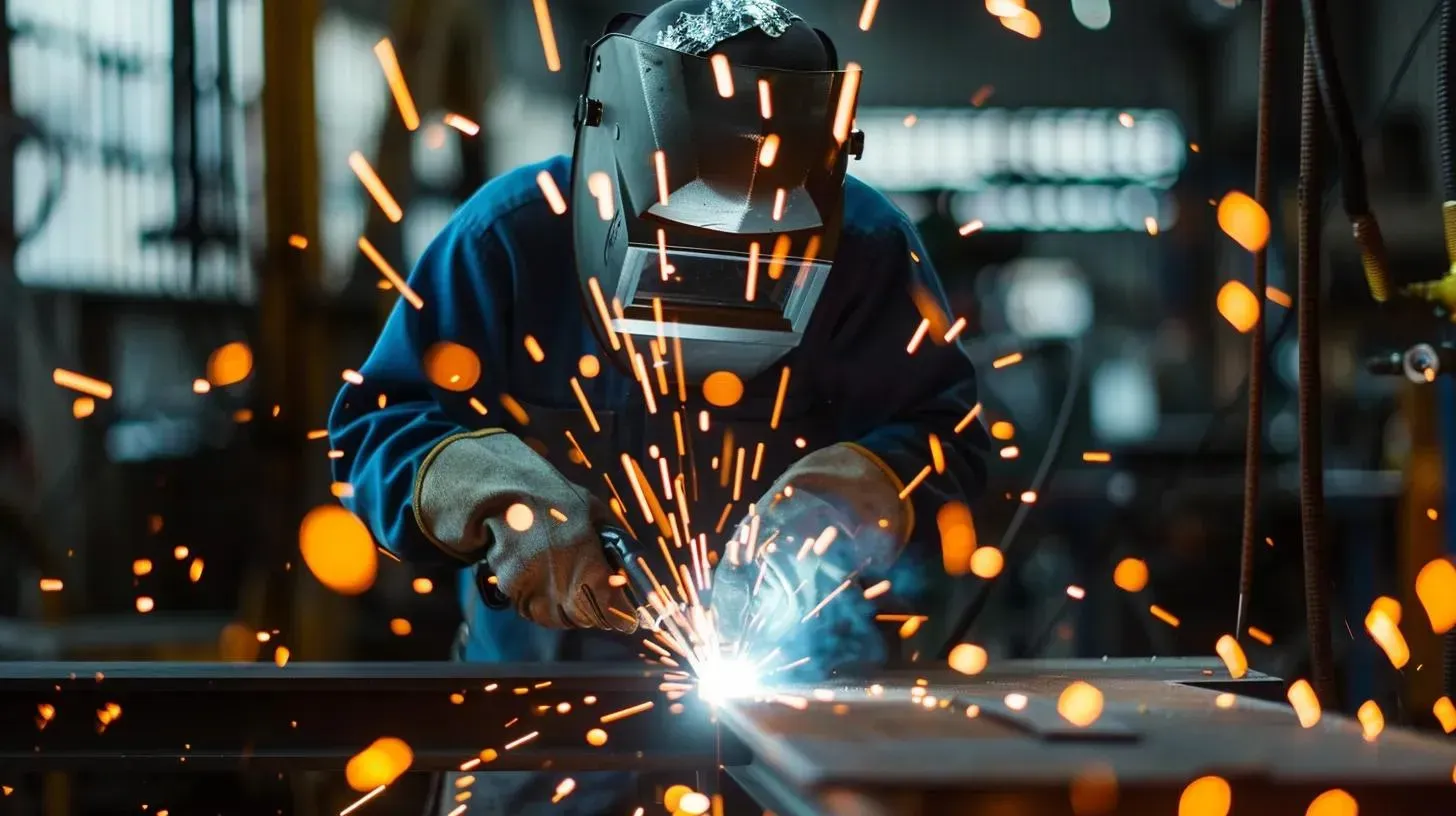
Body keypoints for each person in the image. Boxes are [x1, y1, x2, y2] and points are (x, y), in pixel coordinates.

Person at [328, 1, 987, 812]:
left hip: (796, 731)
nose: (723, 280)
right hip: (542, 738)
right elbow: (374, 433)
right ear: (613, 179)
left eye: (764, 261)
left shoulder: (870, 253)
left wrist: (847, 499)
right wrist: (498, 497)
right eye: (689, 250)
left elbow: (951, 440)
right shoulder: (509, 241)